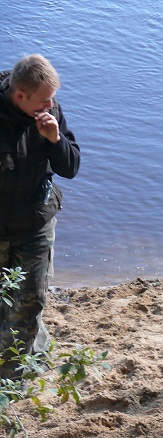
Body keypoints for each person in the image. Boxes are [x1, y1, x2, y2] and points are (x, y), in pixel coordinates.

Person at [0, 54, 80, 379]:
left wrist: (55, 140)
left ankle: (11, 385)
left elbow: (70, 167)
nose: (50, 105)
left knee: (30, 301)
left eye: (52, 99)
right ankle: (37, 353)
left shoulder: (49, 112)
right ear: (20, 95)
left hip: (36, 223)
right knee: (5, 304)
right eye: (44, 100)